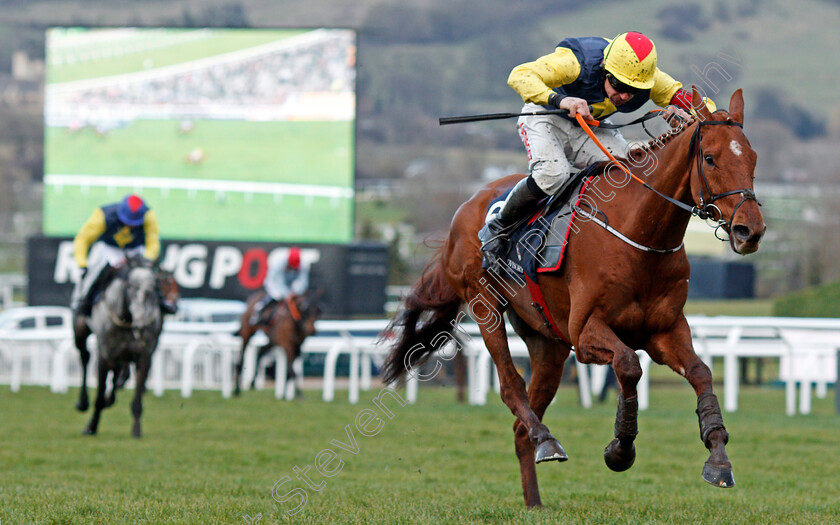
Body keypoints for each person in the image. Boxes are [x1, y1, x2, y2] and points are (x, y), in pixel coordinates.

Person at [480, 31, 715, 268]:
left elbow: (705, 109)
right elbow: (519, 75)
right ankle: (497, 228)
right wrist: (561, 100)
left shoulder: (652, 80)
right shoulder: (574, 63)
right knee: (553, 175)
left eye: (631, 90)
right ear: (604, 67)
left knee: (629, 173)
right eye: (618, 85)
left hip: (589, 126)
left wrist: (688, 117)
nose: (623, 96)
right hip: (545, 116)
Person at [71, 194, 177, 316]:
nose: (130, 226)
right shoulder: (103, 214)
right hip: (109, 248)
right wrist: (82, 263)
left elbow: (153, 241)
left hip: (136, 250)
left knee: (150, 275)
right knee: (92, 273)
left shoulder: (148, 216)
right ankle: (81, 303)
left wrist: (148, 259)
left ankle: (162, 301)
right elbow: (83, 239)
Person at [251, 247, 310, 326]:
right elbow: (277, 281)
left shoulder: (303, 265)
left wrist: (296, 292)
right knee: (277, 296)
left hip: (291, 287)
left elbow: (303, 281)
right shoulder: (279, 263)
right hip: (274, 284)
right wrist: (286, 294)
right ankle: (259, 310)